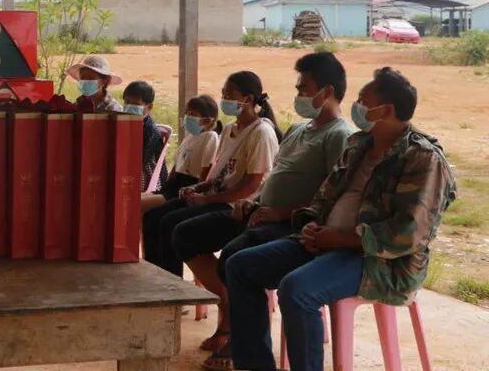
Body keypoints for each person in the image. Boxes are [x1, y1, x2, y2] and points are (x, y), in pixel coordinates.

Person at [226, 67, 457, 371]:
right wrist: (310, 224)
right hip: (327, 243)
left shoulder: (422, 158)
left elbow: (407, 234)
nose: (356, 106)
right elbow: (324, 198)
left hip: (380, 261)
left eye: (364, 101)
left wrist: (339, 239)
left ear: (386, 110)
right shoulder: (359, 144)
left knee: (297, 289)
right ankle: (255, 366)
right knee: (240, 266)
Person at [171, 53, 353, 370]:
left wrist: (278, 213)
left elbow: (329, 198)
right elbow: (274, 175)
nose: (299, 95)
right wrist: (254, 203)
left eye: (304, 89)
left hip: (293, 224)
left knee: (236, 257)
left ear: (327, 91)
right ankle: (242, 337)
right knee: (187, 233)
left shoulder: (338, 135)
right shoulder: (298, 129)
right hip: (261, 213)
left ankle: (242, 343)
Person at [142, 71, 280, 280]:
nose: (224, 99)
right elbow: (222, 174)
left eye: (229, 95)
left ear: (248, 99)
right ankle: (158, 280)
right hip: (217, 197)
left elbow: (251, 186)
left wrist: (206, 200)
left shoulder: (261, 132)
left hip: (235, 206)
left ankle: (173, 286)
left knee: (172, 224)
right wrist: (199, 187)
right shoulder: (230, 129)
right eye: (223, 94)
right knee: (152, 217)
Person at [141, 94, 222, 214]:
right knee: (132, 199)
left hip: (185, 187)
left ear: (207, 120)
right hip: (172, 186)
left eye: (193, 114)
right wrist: (164, 188)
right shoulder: (189, 137)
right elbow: (176, 168)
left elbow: (206, 169)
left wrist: (195, 193)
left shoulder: (210, 137)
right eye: (187, 113)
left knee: (138, 205)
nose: (188, 117)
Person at [123, 80, 169, 195]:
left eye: (136, 104)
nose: (130, 107)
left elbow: (142, 159)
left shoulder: (151, 131)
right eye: (127, 102)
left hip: (145, 177)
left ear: (150, 106)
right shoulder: (124, 124)